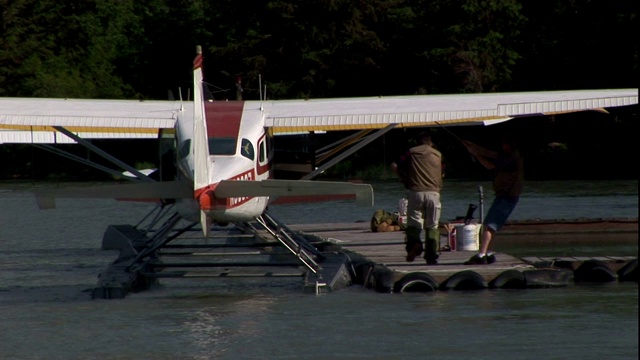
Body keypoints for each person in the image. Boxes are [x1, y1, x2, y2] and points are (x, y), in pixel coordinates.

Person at [461, 133, 524, 265]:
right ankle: (489, 252)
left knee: (488, 225)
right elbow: (491, 154)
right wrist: (473, 146)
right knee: (492, 226)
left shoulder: (511, 160)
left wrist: (476, 154)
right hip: (504, 196)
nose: (503, 147)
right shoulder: (509, 156)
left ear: (510, 145)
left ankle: (482, 254)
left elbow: (490, 165)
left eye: (504, 144)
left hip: (507, 197)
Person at [390, 131, 443, 265]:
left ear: (417, 142)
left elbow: (394, 165)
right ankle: (431, 256)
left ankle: (414, 244)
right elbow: (442, 173)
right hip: (434, 193)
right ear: (430, 142)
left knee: (414, 223)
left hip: (416, 192)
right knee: (432, 225)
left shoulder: (411, 152)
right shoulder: (438, 154)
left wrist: (403, 178)